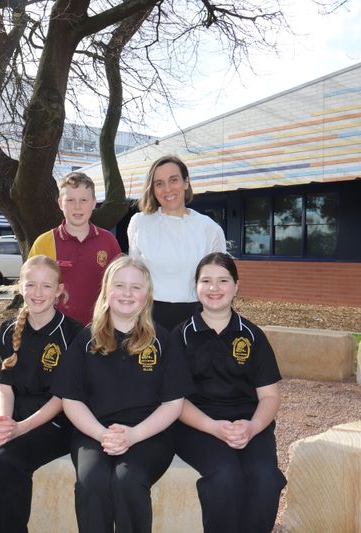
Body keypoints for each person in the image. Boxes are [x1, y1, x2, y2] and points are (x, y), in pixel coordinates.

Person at [51, 256, 194, 533]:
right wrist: (101, 434)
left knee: (127, 480)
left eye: (136, 287)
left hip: (149, 435)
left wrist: (134, 435)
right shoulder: (86, 340)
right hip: (93, 433)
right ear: (106, 291)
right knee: (92, 482)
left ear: (147, 295)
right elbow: (71, 399)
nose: (127, 293)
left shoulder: (163, 341)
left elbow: (174, 402)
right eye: (120, 285)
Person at [0, 255, 83, 533]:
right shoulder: (8, 330)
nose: (38, 293)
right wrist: (3, 422)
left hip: (56, 421)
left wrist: (20, 429)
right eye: (31, 285)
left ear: (59, 291)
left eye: (46, 286)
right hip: (16, 414)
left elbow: (62, 399)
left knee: (9, 460)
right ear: (20, 287)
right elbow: (5, 388)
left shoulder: (73, 334)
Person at [171, 252, 286, 533]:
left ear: (236, 286)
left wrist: (253, 426)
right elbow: (175, 400)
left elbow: (270, 396)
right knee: (225, 476)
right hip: (197, 424)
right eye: (206, 280)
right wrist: (212, 427)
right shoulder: (180, 336)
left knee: (265, 477)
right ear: (195, 287)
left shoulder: (252, 335)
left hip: (249, 423)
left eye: (223, 280)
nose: (214, 288)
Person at [127, 155, 226, 331]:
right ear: (153, 189)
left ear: (186, 182)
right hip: (148, 319)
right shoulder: (139, 223)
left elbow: (220, 282)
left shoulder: (209, 228)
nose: (167, 189)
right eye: (159, 183)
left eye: (173, 180)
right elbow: (134, 277)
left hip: (195, 318)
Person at [29, 172, 122, 325]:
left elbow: (118, 289)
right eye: (70, 200)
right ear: (60, 203)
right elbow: (30, 290)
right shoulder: (44, 243)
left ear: (93, 203)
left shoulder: (109, 241)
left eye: (84, 200)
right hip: (55, 331)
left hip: (99, 330)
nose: (77, 206)